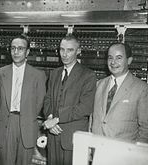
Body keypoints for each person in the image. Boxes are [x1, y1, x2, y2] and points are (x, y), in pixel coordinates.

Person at [0, 34, 46, 165]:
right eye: (13, 48)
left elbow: (38, 104)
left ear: (27, 52)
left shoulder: (38, 75)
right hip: (6, 123)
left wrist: (26, 115)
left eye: (20, 48)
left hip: (27, 124)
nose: (16, 52)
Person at [43, 34, 97, 165]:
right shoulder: (54, 73)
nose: (64, 54)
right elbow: (48, 99)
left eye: (70, 50)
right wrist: (50, 118)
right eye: (62, 49)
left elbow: (85, 107)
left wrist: (56, 119)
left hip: (73, 138)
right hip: (53, 135)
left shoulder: (88, 75)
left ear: (78, 51)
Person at [92, 43, 148, 143]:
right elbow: (92, 119)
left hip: (124, 153)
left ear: (129, 60)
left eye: (119, 58)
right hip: (97, 149)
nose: (113, 62)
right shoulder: (99, 85)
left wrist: (134, 153)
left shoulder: (143, 89)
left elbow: (146, 129)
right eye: (110, 58)